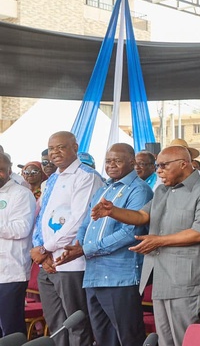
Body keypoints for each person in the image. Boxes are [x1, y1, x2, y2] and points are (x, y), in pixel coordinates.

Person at [90, 145, 200, 346]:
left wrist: (158, 241)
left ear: (183, 164)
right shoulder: (162, 190)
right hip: (161, 273)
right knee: (165, 338)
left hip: (187, 276)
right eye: (157, 165)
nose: (158, 170)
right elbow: (142, 216)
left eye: (163, 165)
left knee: (184, 337)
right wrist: (113, 211)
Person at [54, 143, 153, 346]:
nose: (111, 165)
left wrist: (86, 249)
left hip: (120, 277)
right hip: (94, 274)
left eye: (117, 160)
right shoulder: (103, 189)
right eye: (108, 161)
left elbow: (130, 232)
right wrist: (78, 245)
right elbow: (86, 223)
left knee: (128, 336)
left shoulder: (139, 190)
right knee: (103, 336)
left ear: (132, 162)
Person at [29, 131, 104, 346]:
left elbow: (78, 221)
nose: (55, 152)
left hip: (70, 262)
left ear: (75, 147)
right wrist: (42, 253)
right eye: (52, 148)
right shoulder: (52, 178)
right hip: (47, 262)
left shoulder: (86, 176)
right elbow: (41, 216)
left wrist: (45, 249)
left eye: (61, 147)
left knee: (76, 323)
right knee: (55, 323)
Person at [0, 152, 36, 338]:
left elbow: (21, 229)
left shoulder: (21, 194)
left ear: (9, 170)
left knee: (10, 329)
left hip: (11, 273)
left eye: (1, 170)